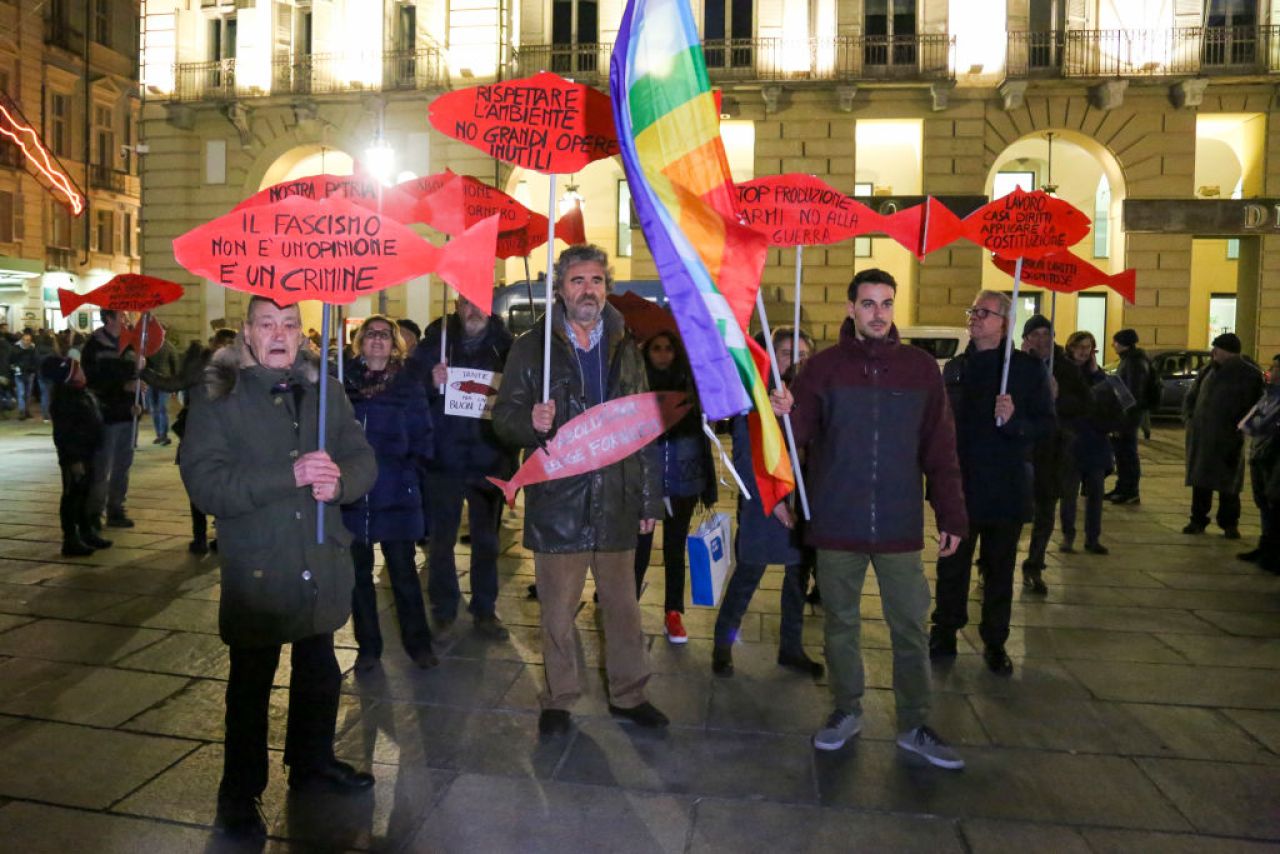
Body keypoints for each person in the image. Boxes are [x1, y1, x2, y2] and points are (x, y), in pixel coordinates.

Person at [180, 297, 378, 840]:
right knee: (251, 682)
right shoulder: (219, 395)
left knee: (319, 669)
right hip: (261, 564)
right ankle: (240, 790)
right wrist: (287, 476)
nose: (278, 334)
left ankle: (312, 763)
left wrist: (340, 483)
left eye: (289, 324)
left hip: (319, 554)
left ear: (301, 333)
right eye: (267, 324)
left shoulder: (326, 390)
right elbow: (206, 483)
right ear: (247, 331)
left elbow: (362, 457)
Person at [771, 268, 968, 769]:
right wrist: (782, 414)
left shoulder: (920, 369)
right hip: (837, 519)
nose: (878, 314)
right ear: (851, 308)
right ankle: (846, 708)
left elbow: (940, 447)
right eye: (868, 304)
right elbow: (795, 441)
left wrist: (952, 513)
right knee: (840, 623)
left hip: (899, 522)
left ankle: (914, 722)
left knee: (910, 625)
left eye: (886, 303)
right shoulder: (822, 369)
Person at [493, 244, 668, 737]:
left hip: (617, 498)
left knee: (624, 609)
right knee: (557, 611)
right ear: (561, 289)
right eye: (577, 281)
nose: (588, 290)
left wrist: (649, 498)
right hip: (560, 501)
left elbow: (642, 425)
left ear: (605, 287)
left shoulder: (626, 345)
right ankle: (560, 698)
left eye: (596, 281)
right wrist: (530, 421)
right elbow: (504, 421)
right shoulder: (532, 347)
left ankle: (630, 695)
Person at [929, 292, 1054, 676]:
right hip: (960, 486)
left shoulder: (1026, 370)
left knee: (999, 570)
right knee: (952, 565)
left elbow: (1047, 426)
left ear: (1005, 323)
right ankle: (945, 631)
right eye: (973, 310)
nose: (975, 317)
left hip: (1005, 487)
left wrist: (1015, 421)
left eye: (985, 312)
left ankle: (995, 640)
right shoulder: (957, 368)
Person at [713, 326, 821, 678]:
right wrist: (773, 500)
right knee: (749, 572)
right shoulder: (756, 395)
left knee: (797, 578)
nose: (796, 361)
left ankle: (791, 647)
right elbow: (745, 456)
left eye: (803, 355)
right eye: (788, 354)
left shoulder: (812, 394)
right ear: (772, 357)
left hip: (803, 498)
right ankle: (723, 644)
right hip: (765, 499)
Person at [341, 315, 437, 671]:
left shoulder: (408, 382)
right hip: (355, 492)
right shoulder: (343, 381)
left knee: (403, 572)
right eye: (371, 334)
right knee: (358, 577)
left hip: (397, 491)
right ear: (360, 342)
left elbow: (424, 435)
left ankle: (419, 645)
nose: (378, 340)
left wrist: (411, 473)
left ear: (394, 343)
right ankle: (368, 648)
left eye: (384, 335)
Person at [417, 295, 515, 639]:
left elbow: (521, 396)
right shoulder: (435, 342)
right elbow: (411, 391)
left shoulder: (507, 348)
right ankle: (443, 606)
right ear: (457, 307)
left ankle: (485, 609)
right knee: (440, 541)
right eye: (466, 303)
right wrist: (431, 382)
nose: (473, 311)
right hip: (443, 459)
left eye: (479, 303)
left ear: (490, 307)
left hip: (489, 458)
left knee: (487, 541)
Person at [633, 329, 717, 644]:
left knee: (675, 549)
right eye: (656, 348)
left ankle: (673, 613)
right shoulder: (636, 384)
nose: (663, 354)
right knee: (639, 548)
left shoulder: (691, 383)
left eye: (668, 348)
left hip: (684, 479)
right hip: (646, 479)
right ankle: (627, 608)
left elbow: (706, 432)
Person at [1019, 315, 1091, 594]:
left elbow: (1085, 404)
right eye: (1034, 334)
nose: (1041, 340)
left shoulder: (1065, 368)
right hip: (1021, 450)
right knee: (1009, 512)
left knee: (1046, 511)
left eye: (1046, 334)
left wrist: (1058, 397)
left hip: (1053, 451)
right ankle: (990, 565)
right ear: (1026, 339)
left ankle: (1035, 565)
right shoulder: (1015, 366)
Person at [1183, 332, 1265, 539]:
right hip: (1202, 436)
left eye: (1217, 349)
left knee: (1228, 484)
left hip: (1228, 438)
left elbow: (1256, 406)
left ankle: (1229, 523)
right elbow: (1192, 396)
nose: (1213, 352)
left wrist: (1241, 427)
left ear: (1228, 352)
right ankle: (1198, 519)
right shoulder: (1208, 370)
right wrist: (1190, 417)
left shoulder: (1248, 374)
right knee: (1200, 481)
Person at [44, 355, 114, 556]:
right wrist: (73, 460)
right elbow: (64, 434)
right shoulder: (65, 400)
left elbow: (97, 413)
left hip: (88, 451)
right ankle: (70, 539)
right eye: (78, 369)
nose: (82, 371)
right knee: (72, 496)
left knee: (84, 494)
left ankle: (86, 532)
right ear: (70, 375)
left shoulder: (81, 392)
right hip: (75, 456)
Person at [81, 310, 143, 529]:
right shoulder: (94, 346)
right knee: (101, 467)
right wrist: (122, 386)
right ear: (109, 319)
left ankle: (116, 508)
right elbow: (91, 380)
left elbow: (135, 378)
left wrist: (139, 398)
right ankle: (94, 512)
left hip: (128, 414)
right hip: (106, 415)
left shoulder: (130, 344)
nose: (125, 319)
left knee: (123, 466)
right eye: (121, 316)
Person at [1059, 331, 1119, 555]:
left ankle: (1093, 538)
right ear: (1071, 348)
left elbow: (1110, 401)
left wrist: (1096, 374)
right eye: (1080, 347)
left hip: (1095, 441)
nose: (1084, 352)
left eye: (1088, 347)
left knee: (1096, 493)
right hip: (1072, 441)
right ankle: (1068, 536)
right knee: (1069, 494)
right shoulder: (1064, 373)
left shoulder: (1099, 375)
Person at [1240, 355, 1280, 574]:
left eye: (1275, 368)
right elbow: (1248, 423)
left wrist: (1258, 422)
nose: (1271, 371)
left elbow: (1261, 423)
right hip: (1260, 452)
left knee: (1274, 503)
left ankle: (1273, 552)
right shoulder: (1268, 394)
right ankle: (1265, 546)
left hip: (1273, 455)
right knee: (1263, 502)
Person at [1107, 328, 1154, 504]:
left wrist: (1123, 419)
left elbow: (1133, 393)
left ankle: (1130, 490)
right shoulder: (1129, 360)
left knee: (1127, 453)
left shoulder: (1134, 362)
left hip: (1128, 416)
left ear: (1123, 344)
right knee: (1121, 453)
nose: (1113, 345)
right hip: (1125, 414)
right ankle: (1121, 487)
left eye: (1115, 342)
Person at [146, 331, 180, 445]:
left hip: (162, 381)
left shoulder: (167, 347)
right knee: (156, 409)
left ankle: (162, 435)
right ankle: (160, 434)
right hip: (155, 381)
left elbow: (175, 366)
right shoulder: (151, 346)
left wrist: (175, 385)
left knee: (160, 408)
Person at [11, 330, 37, 420]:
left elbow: (35, 361)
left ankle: (26, 411)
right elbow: (11, 361)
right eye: (25, 340)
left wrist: (33, 370)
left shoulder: (32, 349)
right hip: (19, 374)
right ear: (22, 340)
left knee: (28, 394)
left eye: (28, 340)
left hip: (29, 374)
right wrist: (15, 368)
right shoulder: (15, 349)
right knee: (21, 393)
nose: (26, 342)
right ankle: (22, 412)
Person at [33, 330, 58, 422]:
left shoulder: (38, 348)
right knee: (51, 394)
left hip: (41, 373)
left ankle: (45, 415)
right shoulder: (53, 350)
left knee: (44, 394)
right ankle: (51, 413)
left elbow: (35, 360)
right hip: (51, 374)